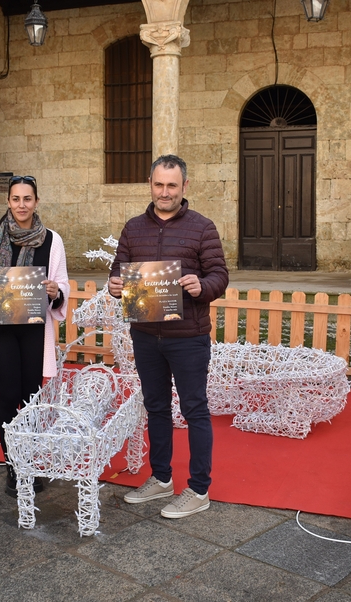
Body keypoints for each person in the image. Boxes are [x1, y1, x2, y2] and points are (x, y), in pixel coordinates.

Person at [109, 155, 229, 518]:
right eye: (159, 184)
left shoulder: (202, 228)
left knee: (195, 409)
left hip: (188, 337)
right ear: (150, 184)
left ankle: (199, 489)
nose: (165, 192)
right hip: (146, 335)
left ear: (184, 186)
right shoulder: (133, 228)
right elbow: (118, 272)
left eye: (172, 185)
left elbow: (219, 276)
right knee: (156, 407)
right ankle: (161, 478)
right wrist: (114, 286)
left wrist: (202, 285)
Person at [0, 175, 70, 497]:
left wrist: (56, 292)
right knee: (8, 396)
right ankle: (13, 466)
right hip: (1, 330)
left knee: (31, 397)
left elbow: (62, 283)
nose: (21, 205)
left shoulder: (52, 240)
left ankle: (30, 462)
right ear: (8, 201)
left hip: (35, 329)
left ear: (36, 202)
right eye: (16, 199)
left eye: (27, 199)